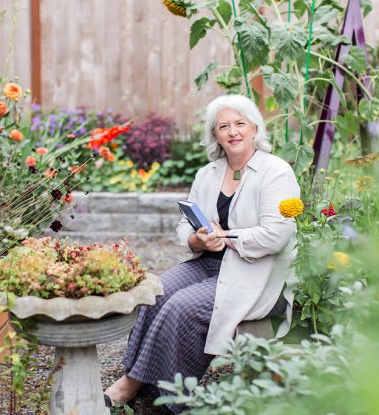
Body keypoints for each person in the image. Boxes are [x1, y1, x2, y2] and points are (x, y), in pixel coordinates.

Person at [104, 94, 300, 413]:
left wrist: (224, 237)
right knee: (155, 292)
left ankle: (168, 398)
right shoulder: (208, 173)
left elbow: (275, 235)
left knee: (182, 307)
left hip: (254, 272)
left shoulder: (275, 172)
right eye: (224, 126)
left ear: (254, 128)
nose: (233, 131)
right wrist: (197, 239)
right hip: (209, 262)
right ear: (215, 134)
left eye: (240, 124)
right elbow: (185, 223)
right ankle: (139, 380)